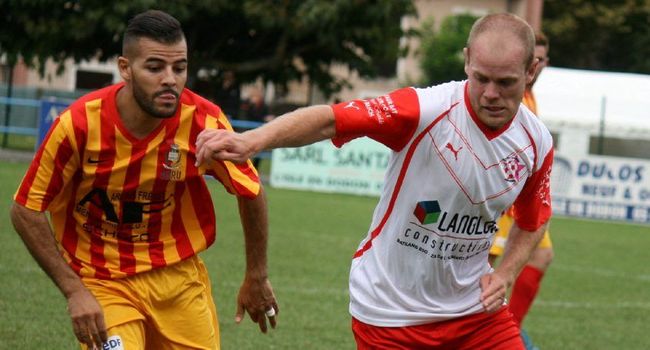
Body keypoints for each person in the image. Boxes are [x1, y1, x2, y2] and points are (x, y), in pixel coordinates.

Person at [195, 13, 553, 349]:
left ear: (531, 70)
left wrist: (506, 273)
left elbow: (534, 218)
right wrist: (252, 140)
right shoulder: (423, 110)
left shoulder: (536, 140)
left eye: (505, 82)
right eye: (481, 78)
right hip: (390, 312)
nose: (491, 93)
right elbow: (330, 119)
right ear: (466, 61)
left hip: (474, 314)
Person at [10, 10, 277, 350]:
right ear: (125, 68)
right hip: (103, 281)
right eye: (155, 68)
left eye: (179, 68)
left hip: (178, 282)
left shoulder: (203, 121)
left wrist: (256, 275)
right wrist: (75, 290)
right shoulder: (77, 124)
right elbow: (26, 209)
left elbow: (251, 190)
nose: (170, 79)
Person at [488, 31, 552, 344]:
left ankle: (508, 327)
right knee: (479, 269)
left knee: (542, 255)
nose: (536, 64)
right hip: (501, 198)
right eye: (532, 58)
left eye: (540, 59)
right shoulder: (507, 96)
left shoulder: (530, 96)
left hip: (521, 198)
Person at [238, 87, 275, 168]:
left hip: (260, 131)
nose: (255, 98)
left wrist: (267, 118)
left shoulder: (264, 106)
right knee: (247, 151)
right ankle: (247, 167)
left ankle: (255, 168)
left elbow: (266, 115)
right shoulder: (248, 105)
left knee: (259, 152)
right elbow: (248, 115)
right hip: (250, 131)